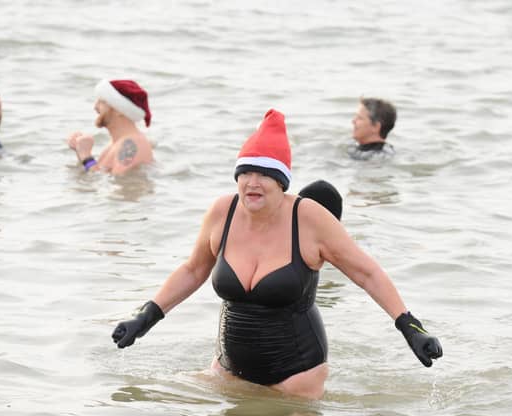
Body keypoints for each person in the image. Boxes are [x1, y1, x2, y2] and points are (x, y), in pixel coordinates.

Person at [112, 109, 442, 400]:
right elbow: (193, 270)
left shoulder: (309, 218)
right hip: (228, 370)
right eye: (246, 173)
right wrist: (146, 317)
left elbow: (366, 273)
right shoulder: (221, 212)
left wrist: (410, 327)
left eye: (265, 175)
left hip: (296, 379)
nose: (253, 183)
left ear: (281, 182)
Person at [67, 78, 153, 175]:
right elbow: (98, 176)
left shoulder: (131, 144)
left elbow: (117, 183)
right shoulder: (117, 144)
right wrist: (80, 153)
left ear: (119, 109)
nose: (95, 107)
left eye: (102, 102)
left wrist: (86, 156)